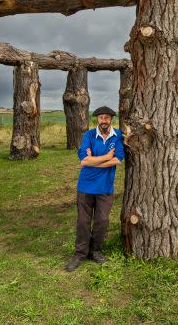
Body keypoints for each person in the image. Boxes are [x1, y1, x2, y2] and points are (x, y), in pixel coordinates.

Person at [64, 106, 124, 272]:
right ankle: (79, 253)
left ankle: (95, 250)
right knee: (83, 221)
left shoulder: (117, 135)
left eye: (107, 117)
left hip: (105, 187)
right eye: (101, 117)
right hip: (86, 185)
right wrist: (106, 157)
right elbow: (84, 161)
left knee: (102, 221)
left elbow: (118, 159)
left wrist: (94, 160)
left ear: (111, 119)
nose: (103, 120)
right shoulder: (89, 135)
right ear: (96, 119)